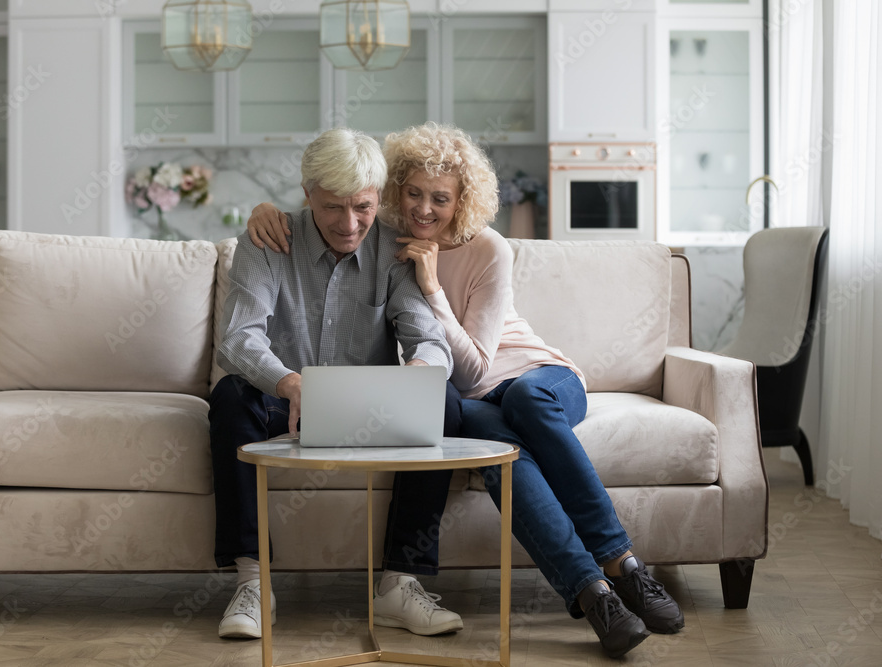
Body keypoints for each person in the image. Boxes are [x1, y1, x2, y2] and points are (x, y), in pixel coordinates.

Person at [247, 122, 684, 659]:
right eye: (413, 193)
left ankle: (624, 565)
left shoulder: (487, 249)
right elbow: (330, 203)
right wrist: (265, 210)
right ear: (393, 190)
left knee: (518, 400)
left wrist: (432, 287)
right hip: (476, 402)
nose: (424, 209)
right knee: (502, 454)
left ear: (463, 200)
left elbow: (476, 370)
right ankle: (594, 594)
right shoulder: (380, 238)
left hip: (538, 378)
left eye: (441, 198)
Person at [211, 127, 465, 641]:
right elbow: (237, 339)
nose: (349, 225)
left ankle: (399, 583)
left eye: (362, 207)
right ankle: (254, 584)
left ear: (377, 198)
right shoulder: (266, 242)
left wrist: (421, 369)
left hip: (367, 411)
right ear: (307, 195)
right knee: (230, 396)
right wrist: (288, 382)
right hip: (284, 403)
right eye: (332, 208)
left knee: (446, 401)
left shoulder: (393, 251)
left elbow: (429, 337)